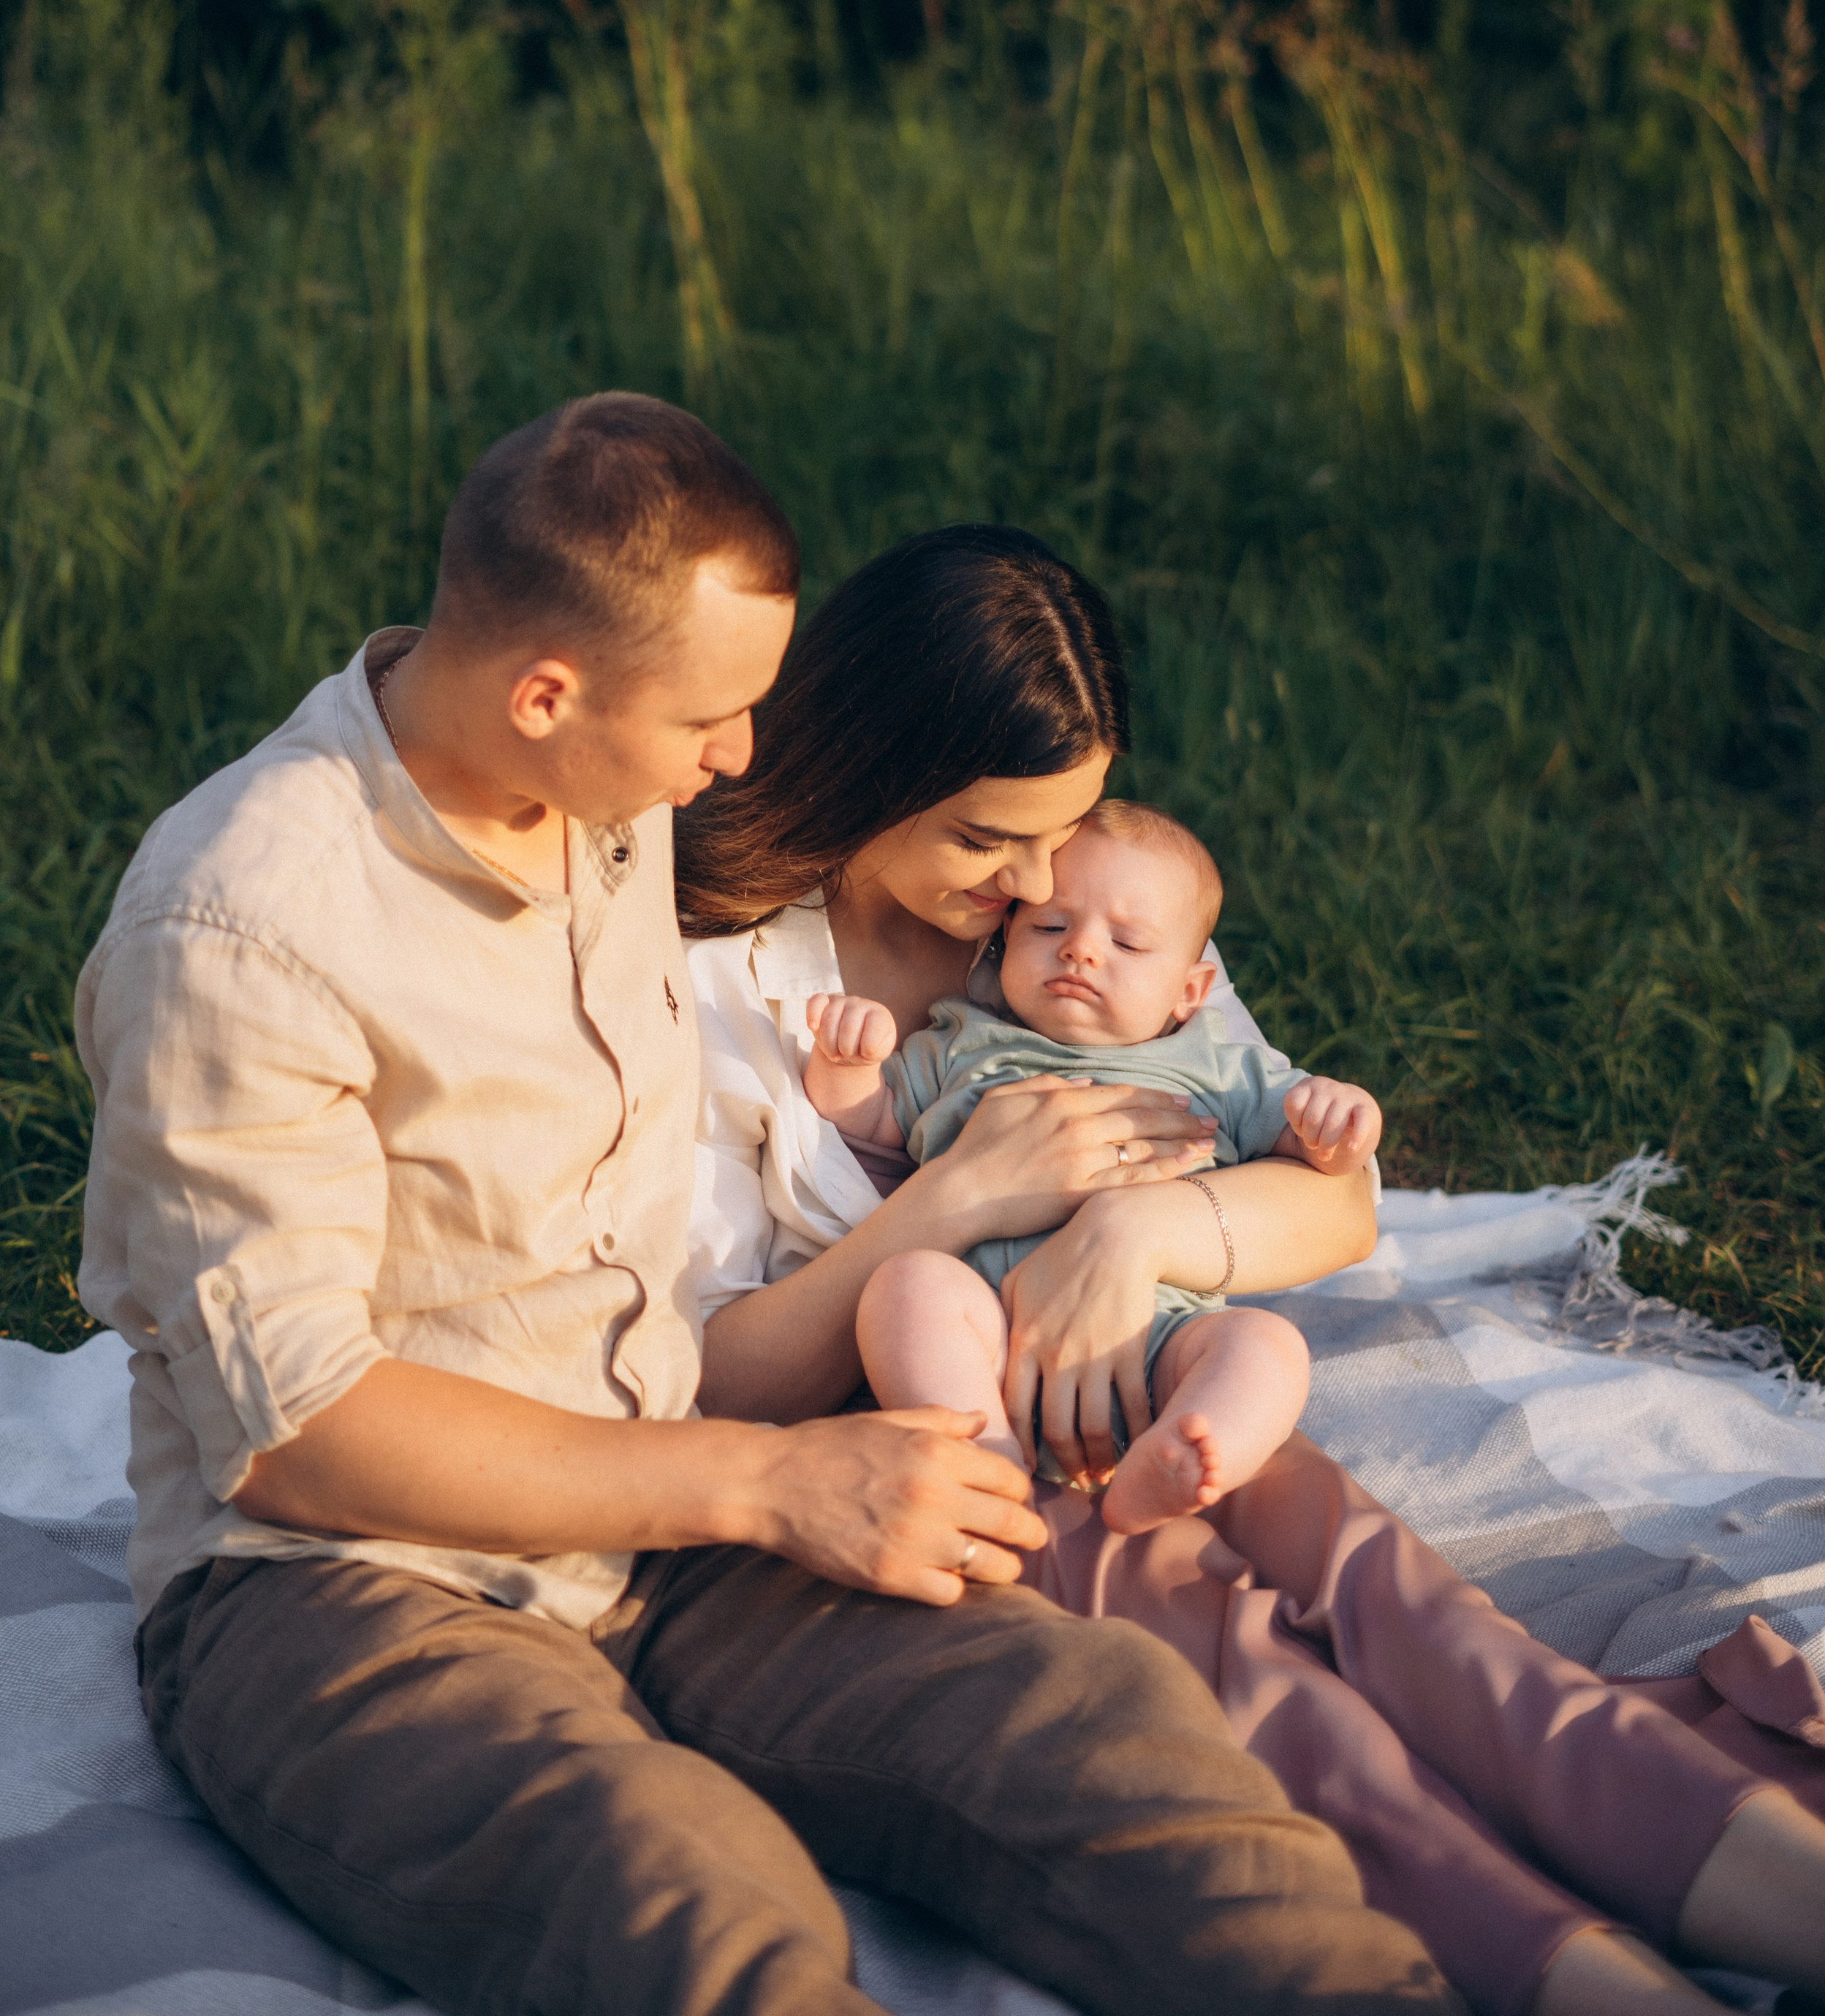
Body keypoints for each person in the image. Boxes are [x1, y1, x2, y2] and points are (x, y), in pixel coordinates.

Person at [75, 393, 1457, 2016]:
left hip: (667, 1523)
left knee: (1109, 1747)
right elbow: (297, 1433)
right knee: (686, 1900)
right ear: (544, 695)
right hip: (344, 1580)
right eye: (709, 722)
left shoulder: (602, 795)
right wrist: (771, 1483)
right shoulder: (239, 930)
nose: (740, 758)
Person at [679, 522, 1825, 2016]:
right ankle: (1589, 1985)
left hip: (1156, 1359)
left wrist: (1138, 1232)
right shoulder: (721, 978)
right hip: (968, 1442)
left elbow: (1336, 1210)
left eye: (1061, 831)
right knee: (1277, 1705)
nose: (1033, 884)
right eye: (988, 839)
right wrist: (958, 1197)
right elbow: (716, 1369)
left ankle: (1781, 1894)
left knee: (1411, 1614)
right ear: (864, 766)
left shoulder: (1067, 925)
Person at [800, 800, 1381, 1530]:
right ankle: (985, 1453)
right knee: (905, 1289)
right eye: (1049, 927)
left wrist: (1334, 1126)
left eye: (1129, 945)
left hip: (1156, 1336)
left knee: (1264, 1345)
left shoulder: (1217, 1069)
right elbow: (874, 1128)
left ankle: (1186, 1454)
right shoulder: (961, 1044)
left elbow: (1312, 1161)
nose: (1080, 950)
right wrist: (846, 1068)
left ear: (1190, 993)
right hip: (984, 1331)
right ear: (1005, 941)